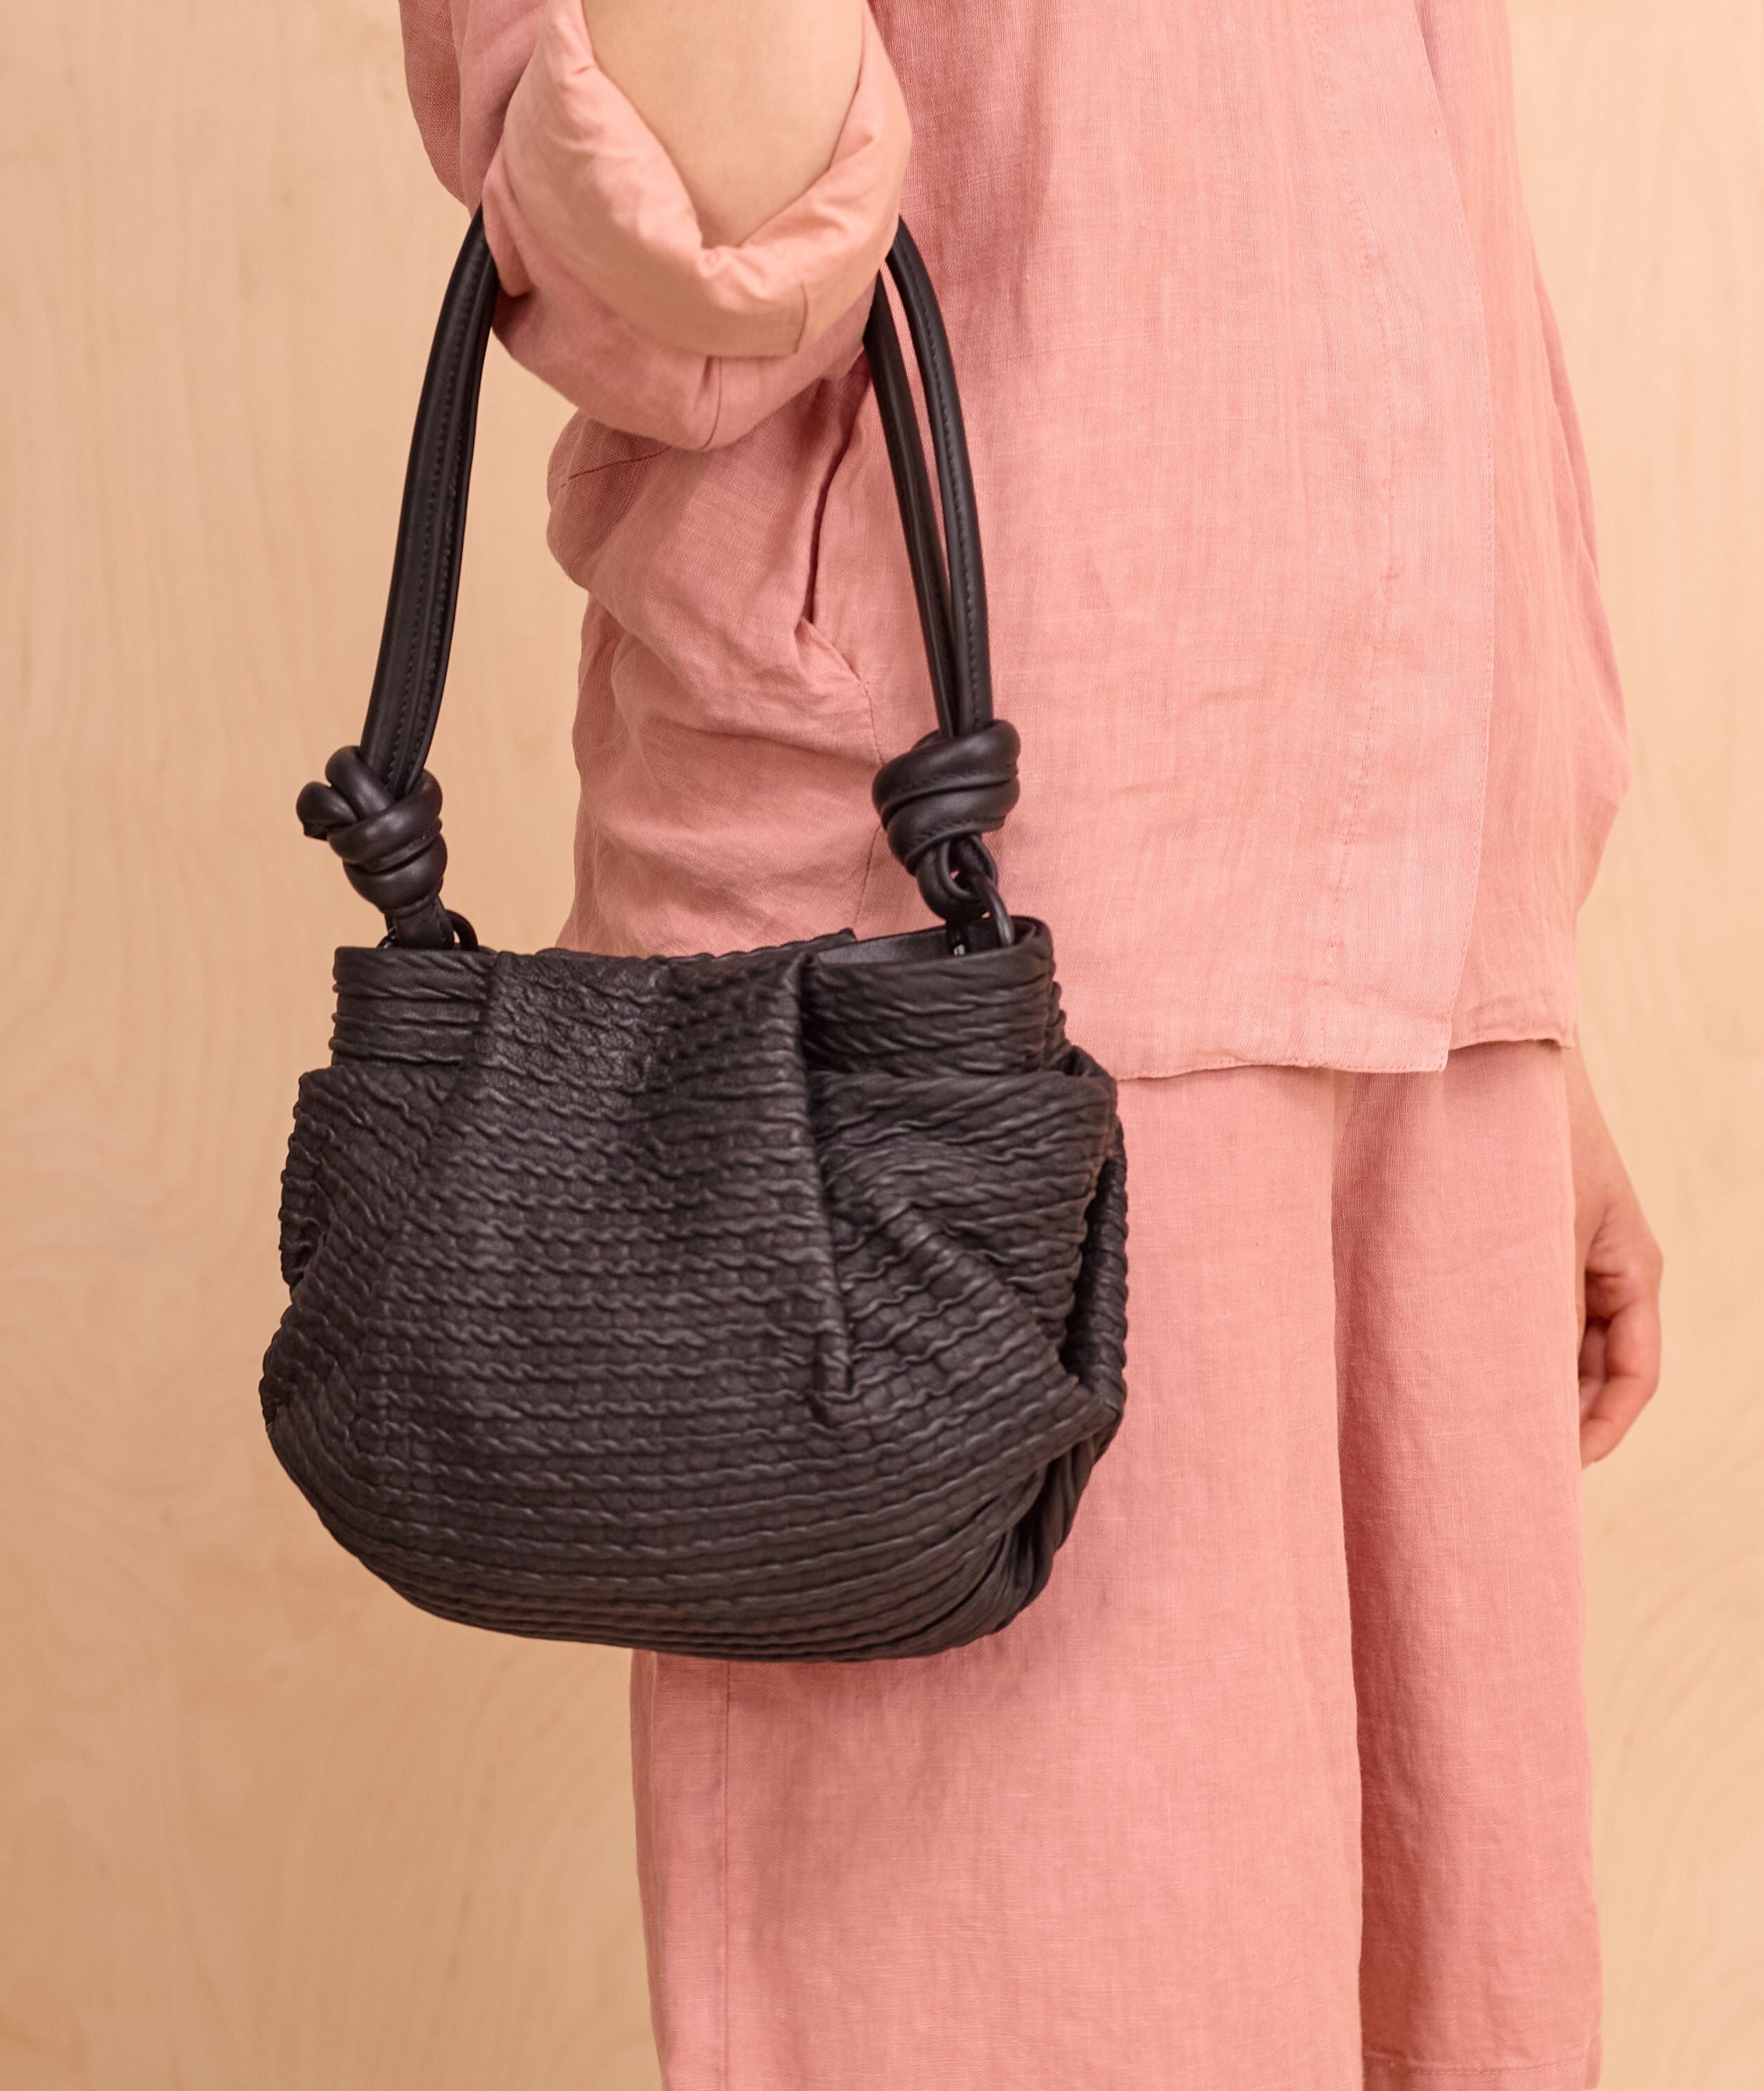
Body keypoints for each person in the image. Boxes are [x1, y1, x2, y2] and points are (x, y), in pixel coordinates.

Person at [395, 1, 1666, 2084]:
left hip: (1418, 965)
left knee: (1454, 2003)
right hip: (959, 990)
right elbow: (686, 273)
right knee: (1039, 2007)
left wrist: (1507, 965)